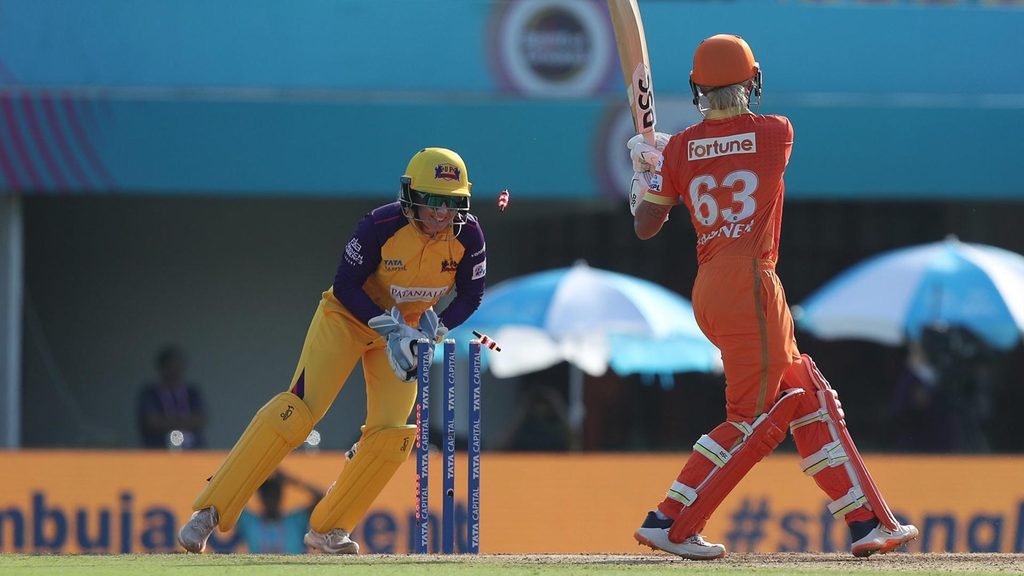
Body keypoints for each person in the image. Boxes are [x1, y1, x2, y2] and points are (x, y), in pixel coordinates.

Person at [626, 34, 918, 559]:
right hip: (750, 282)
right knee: (752, 419)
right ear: (753, 81)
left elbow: (646, 225)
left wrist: (648, 174)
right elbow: (733, 149)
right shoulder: (776, 132)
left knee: (806, 393)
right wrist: (669, 160)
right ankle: (670, 521)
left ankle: (866, 522)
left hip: (711, 286)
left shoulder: (680, 149)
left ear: (696, 88)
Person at [177, 147, 488, 554]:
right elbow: (345, 285)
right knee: (297, 413)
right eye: (432, 200)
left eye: (451, 202)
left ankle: (329, 529)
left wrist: (435, 330)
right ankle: (209, 511)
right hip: (347, 319)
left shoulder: (468, 236)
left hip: (407, 331)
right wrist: (389, 328)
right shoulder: (380, 225)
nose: (442, 213)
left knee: (392, 436)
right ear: (411, 196)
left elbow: (471, 295)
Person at [235, 470, 324, 554]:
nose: (271, 499)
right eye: (267, 495)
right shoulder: (250, 522)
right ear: (261, 497)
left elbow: (323, 499)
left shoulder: (295, 521)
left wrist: (293, 481)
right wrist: (253, 480)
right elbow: (231, 496)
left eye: (274, 494)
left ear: (281, 495)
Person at [137, 345, 207, 449]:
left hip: (192, 450)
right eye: (170, 367)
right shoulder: (149, 393)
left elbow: (200, 418)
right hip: (159, 450)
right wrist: (185, 421)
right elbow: (151, 422)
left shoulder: (192, 393)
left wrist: (167, 421)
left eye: (178, 367)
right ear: (162, 368)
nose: (174, 371)